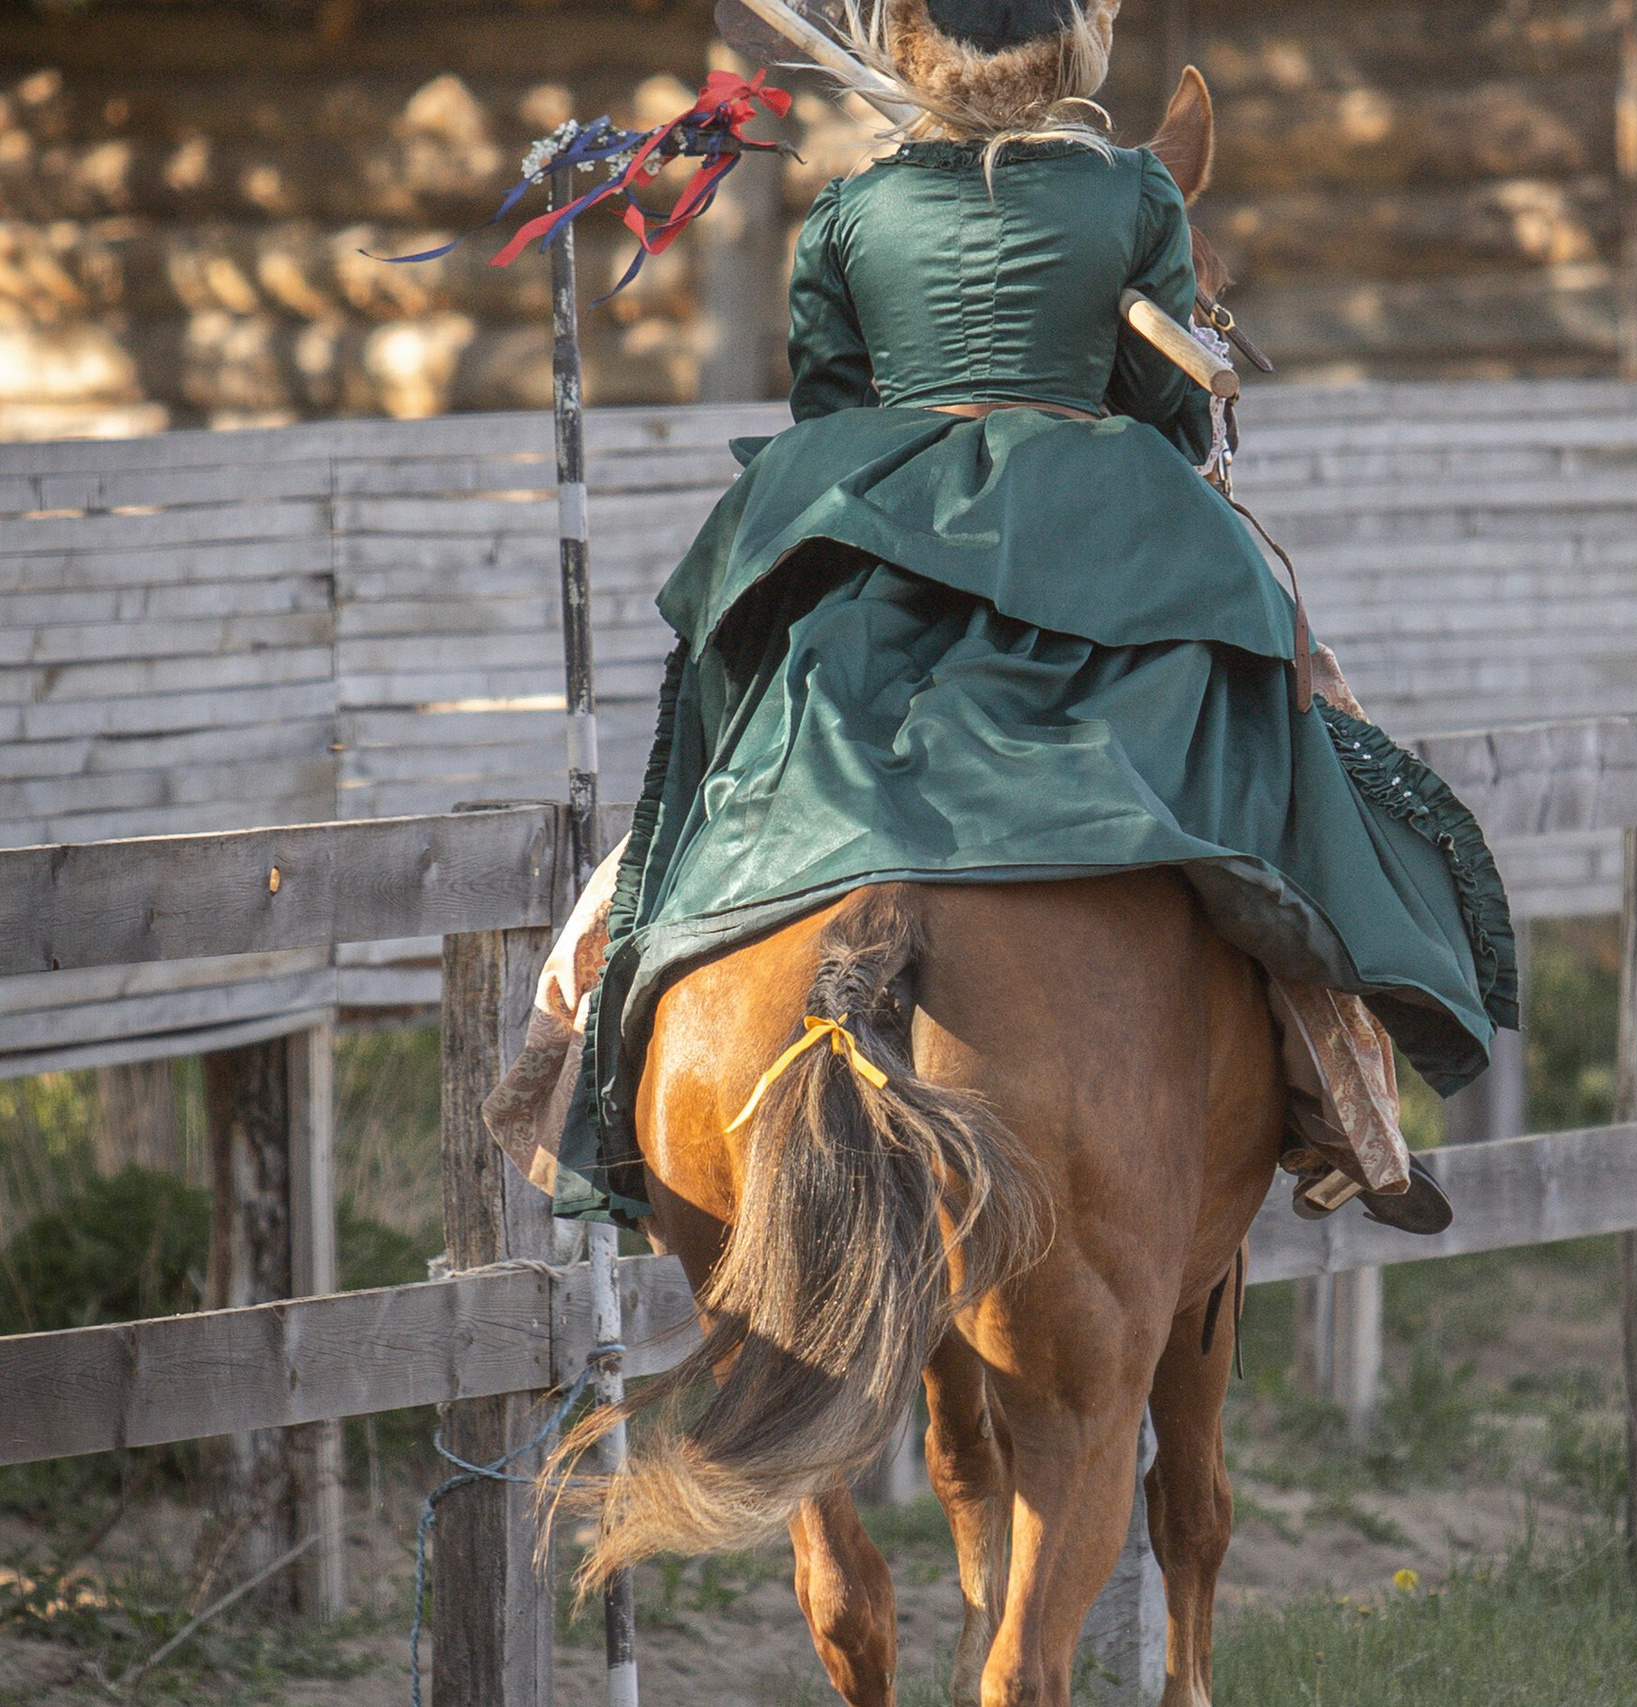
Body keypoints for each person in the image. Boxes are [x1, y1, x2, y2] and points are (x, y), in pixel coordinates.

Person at [491, 0, 1516, 1237]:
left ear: (914, 52)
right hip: (1101, 521)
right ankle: (1341, 1097)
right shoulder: (1135, 195)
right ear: (1075, 51)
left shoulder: (854, 209)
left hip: (868, 514)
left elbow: (826, 400)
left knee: (716, 761)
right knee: (1296, 741)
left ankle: (596, 1019)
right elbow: (1169, 412)